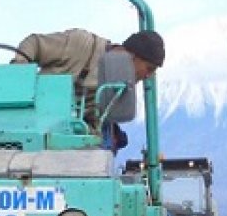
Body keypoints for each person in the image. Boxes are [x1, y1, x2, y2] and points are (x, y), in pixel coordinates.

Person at [15, 28, 165, 148]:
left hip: (56, 143)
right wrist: (19, 77)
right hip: (24, 121)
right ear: (131, 56)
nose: (148, 76)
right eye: (149, 68)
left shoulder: (116, 91)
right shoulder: (81, 44)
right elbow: (34, 43)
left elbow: (92, 130)